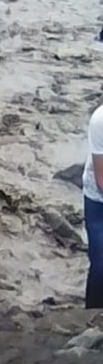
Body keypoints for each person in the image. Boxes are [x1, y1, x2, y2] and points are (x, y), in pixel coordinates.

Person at [81, 104, 103, 309]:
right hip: (98, 199)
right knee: (100, 264)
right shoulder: (100, 120)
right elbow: (101, 179)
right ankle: (93, 315)